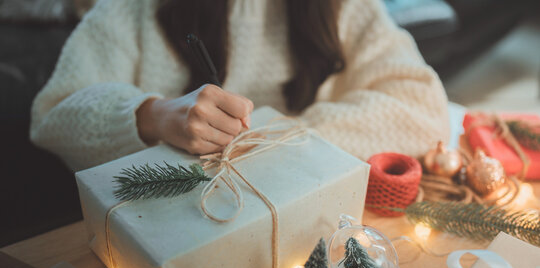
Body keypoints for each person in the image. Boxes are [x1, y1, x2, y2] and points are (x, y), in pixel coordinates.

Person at [30, 0, 450, 172]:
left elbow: (424, 108)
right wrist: (154, 115)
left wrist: (278, 137)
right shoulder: (135, 8)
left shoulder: (344, 7)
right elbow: (53, 116)